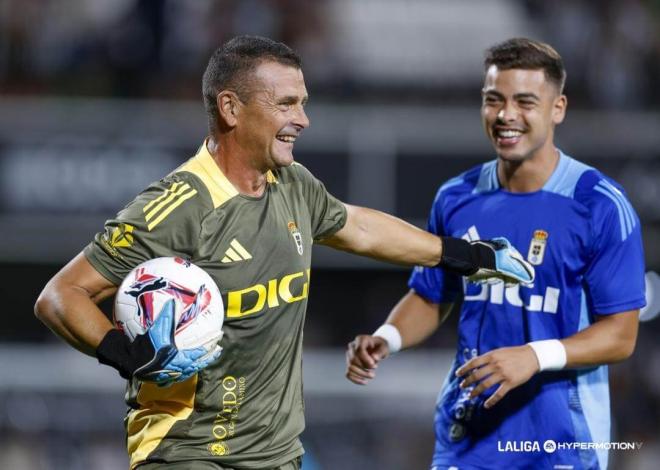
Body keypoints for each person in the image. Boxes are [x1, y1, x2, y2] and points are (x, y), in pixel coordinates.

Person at [34, 36, 532, 470]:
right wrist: (124, 353)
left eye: (303, 103)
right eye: (287, 104)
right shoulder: (176, 209)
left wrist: (465, 255)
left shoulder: (292, 183)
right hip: (187, 453)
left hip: (276, 455)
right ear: (231, 109)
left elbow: (357, 226)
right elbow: (61, 295)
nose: (304, 119)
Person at [346, 38, 645, 470]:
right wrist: (387, 337)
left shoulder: (598, 205)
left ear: (557, 108)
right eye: (493, 100)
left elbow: (621, 335)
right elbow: (433, 295)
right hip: (469, 434)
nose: (506, 115)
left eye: (525, 102)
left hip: (559, 439)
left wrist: (534, 356)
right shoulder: (456, 196)